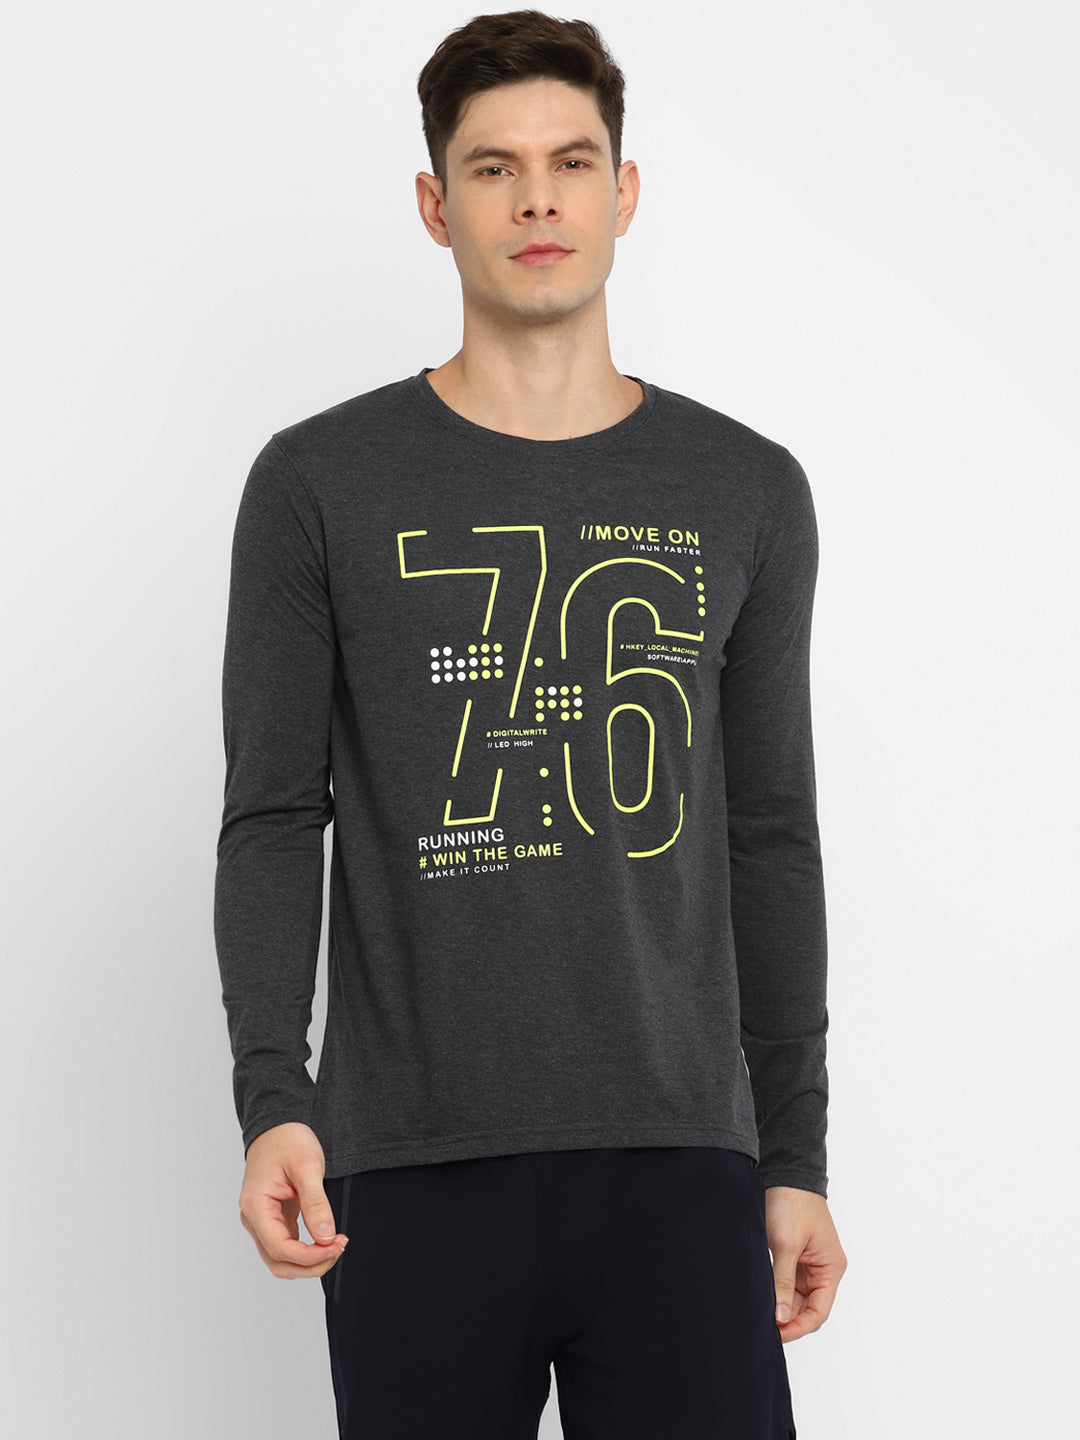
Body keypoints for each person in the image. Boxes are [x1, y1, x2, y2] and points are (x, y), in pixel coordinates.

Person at [214, 9, 847, 1436]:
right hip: (410, 1162)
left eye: (572, 162)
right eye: (493, 169)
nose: (539, 200)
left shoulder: (745, 488)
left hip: (682, 1157)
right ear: (435, 205)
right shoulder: (318, 484)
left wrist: (795, 1154)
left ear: (626, 192)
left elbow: (769, 834)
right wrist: (274, 1100)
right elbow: (274, 818)